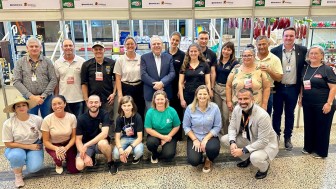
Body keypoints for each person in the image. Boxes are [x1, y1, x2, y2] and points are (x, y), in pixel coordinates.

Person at [221, 88, 279, 179]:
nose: (242, 102)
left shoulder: (262, 116)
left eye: (246, 99)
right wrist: (232, 142)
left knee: (255, 158)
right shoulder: (237, 109)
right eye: (240, 99)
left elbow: (263, 141)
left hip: (265, 144)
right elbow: (232, 127)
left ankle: (264, 167)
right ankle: (246, 158)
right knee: (225, 139)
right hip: (248, 138)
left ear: (252, 99)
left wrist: (242, 150)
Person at [271, 27, 307, 150]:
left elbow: (306, 69)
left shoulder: (302, 50)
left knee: (290, 114)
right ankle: (276, 136)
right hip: (278, 88)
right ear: (283, 37)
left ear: (295, 37)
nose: (288, 38)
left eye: (291, 36)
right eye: (286, 36)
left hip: (293, 88)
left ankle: (288, 138)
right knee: (276, 113)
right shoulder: (274, 51)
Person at [299, 45, 336, 158]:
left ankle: (321, 151)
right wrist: (301, 98)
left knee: (322, 127)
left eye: (316, 53)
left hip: (323, 104)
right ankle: (308, 147)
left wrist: (328, 103)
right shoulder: (305, 68)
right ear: (308, 55)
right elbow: (302, 84)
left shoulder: (327, 69)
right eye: (311, 53)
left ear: (322, 56)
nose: (313, 55)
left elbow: (333, 87)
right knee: (309, 125)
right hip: (308, 103)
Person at [2, 96, 43, 188]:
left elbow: (45, 132)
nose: (21, 107)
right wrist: (29, 147)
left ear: (28, 107)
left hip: (34, 145)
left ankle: (25, 159)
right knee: (16, 156)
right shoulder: (8, 123)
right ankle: (18, 175)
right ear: (14, 109)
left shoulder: (37, 119)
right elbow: (8, 144)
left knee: (34, 168)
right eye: (18, 106)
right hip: (16, 147)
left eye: (24, 105)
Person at [13, 37, 57, 118]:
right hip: (28, 99)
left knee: (48, 121)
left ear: (40, 48)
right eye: (31, 46)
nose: (34, 48)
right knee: (30, 122)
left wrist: (43, 96)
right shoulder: (20, 62)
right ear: (27, 48)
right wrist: (31, 96)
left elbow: (53, 80)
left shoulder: (47, 61)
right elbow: (16, 81)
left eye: (36, 46)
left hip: (46, 98)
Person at [183, 85, 222, 173]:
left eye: (205, 94)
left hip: (210, 136)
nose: (202, 96)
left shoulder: (215, 108)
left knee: (212, 149)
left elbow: (217, 126)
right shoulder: (190, 108)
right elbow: (186, 126)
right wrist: (195, 140)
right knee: (194, 161)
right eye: (200, 94)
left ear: (209, 95)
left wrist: (206, 139)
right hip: (195, 136)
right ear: (196, 95)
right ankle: (200, 154)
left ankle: (208, 159)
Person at [75, 95, 116, 174]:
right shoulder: (81, 118)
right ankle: (91, 156)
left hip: (99, 143)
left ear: (100, 104)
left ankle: (110, 162)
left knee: (103, 143)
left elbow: (104, 134)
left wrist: (86, 145)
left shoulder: (104, 114)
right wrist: (85, 156)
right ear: (87, 103)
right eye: (91, 102)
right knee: (79, 166)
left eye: (96, 102)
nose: (93, 104)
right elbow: (78, 140)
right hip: (87, 145)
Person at [41, 95, 79, 174]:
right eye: (54, 104)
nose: (57, 106)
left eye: (59, 103)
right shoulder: (47, 119)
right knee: (58, 157)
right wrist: (56, 149)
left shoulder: (72, 117)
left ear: (65, 104)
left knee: (74, 170)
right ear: (51, 106)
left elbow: (73, 137)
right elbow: (46, 141)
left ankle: (67, 156)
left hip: (68, 144)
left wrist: (66, 148)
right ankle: (58, 164)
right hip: (54, 145)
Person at [226, 45, 270, 111]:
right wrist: (229, 101)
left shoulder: (260, 70)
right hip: (237, 106)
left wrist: (264, 104)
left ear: (254, 56)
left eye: (249, 55)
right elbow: (228, 85)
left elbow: (267, 87)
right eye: (244, 56)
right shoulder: (235, 69)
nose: (247, 57)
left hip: (256, 107)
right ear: (242, 57)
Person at [81, 41, 116, 121]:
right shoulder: (86, 65)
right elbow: (84, 83)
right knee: (91, 121)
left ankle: (109, 134)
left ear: (104, 50)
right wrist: (86, 99)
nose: (98, 51)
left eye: (100, 49)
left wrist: (113, 94)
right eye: (96, 49)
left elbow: (116, 80)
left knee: (108, 120)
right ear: (92, 50)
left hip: (107, 98)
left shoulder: (111, 63)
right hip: (92, 100)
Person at [144, 90, 180, 163]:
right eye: (158, 99)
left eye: (162, 99)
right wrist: (163, 138)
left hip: (169, 135)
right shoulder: (150, 112)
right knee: (151, 143)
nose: (160, 101)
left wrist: (168, 137)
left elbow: (177, 126)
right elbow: (148, 129)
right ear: (154, 100)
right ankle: (154, 153)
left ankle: (167, 150)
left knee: (169, 155)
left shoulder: (172, 111)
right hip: (155, 135)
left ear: (166, 100)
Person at [140, 36, 175, 110]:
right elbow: (143, 74)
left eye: (158, 43)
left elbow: (172, 73)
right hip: (150, 93)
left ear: (162, 45)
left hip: (165, 92)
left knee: (165, 117)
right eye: (154, 44)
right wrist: (156, 84)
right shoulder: (144, 58)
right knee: (151, 117)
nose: (156, 46)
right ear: (150, 46)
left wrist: (162, 83)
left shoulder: (169, 57)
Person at [114, 36, 145, 119]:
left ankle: (139, 131)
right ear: (124, 46)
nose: (130, 46)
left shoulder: (141, 58)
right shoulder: (120, 60)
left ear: (135, 45)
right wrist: (120, 95)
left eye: (132, 44)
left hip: (139, 88)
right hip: (126, 88)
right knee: (126, 112)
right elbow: (118, 78)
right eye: (128, 44)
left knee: (140, 112)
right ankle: (127, 131)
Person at [54, 39, 86, 117]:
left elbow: (85, 81)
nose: (68, 47)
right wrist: (56, 97)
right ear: (62, 48)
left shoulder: (82, 61)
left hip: (79, 99)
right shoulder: (57, 63)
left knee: (78, 123)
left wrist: (86, 97)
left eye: (70, 45)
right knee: (66, 123)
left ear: (74, 47)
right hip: (64, 100)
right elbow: (56, 82)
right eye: (66, 46)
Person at [213, 42, 239, 135]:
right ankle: (220, 132)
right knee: (218, 113)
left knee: (226, 114)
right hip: (217, 88)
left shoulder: (234, 63)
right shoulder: (217, 61)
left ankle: (228, 133)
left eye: (229, 50)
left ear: (232, 51)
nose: (226, 51)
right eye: (224, 49)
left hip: (227, 90)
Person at [113, 96, 144, 169]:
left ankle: (135, 156)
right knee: (116, 154)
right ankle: (125, 152)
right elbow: (117, 138)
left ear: (132, 106)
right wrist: (120, 149)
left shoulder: (137, 117)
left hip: (135, 138)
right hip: (124, 138)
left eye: (129, 105)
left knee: (138, 152)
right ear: (121, 107)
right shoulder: (119, 118)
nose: (126, 108)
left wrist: (130, 147)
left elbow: (140, 138)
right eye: (124, 105)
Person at [255, 36, 283, 115]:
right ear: (256, 45)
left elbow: (279, 78)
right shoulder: (252, 57)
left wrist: (269, 71)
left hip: (267, 92)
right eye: (259, 45)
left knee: (265, 115)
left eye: (264, 44)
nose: (261, 47)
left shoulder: (275, 59)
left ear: (269, 44)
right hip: (252, 90)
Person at [165, 31, 185, 140]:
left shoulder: (182, 55)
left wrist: (180, 88)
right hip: (166, 88)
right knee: (167, 112)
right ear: (170, 39)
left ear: (179, 42)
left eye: (177, 40)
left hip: (177, 87)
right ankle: (168, 135)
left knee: (177, 113)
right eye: (173, 39)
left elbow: (184, 72)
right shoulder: (164, 54)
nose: (174, 42)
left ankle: (178, 138)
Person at [179, 43, 212, 108]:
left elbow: (208, 82)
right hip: (188, 95)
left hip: (201, 96)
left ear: (199, 52)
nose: (193, 53)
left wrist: (208, 95)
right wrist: (182, 99)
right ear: (188, 52)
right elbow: (180, 83)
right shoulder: (184, 66)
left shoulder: (205, 65)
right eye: (191, 51)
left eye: (195, 51)